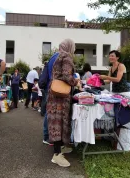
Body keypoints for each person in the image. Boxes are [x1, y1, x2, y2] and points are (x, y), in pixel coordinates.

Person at [47, 39, 81, 167]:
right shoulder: (66, 57)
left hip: (55, 94)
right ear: (70, 47)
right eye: (74, 47)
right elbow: (67, 76)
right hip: (60, 97)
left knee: (56, 121)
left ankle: (60, 148)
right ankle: (56, 155)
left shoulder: (57, 57)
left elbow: (59, 74)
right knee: (58, 122)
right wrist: (76, 81)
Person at [42, 52, 59, 145]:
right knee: (50, 113)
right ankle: (47, 136)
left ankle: (47, 136)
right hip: (54, 88)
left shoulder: (53, 57)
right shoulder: (58, 57)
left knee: (49, 112)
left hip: (50, 87)